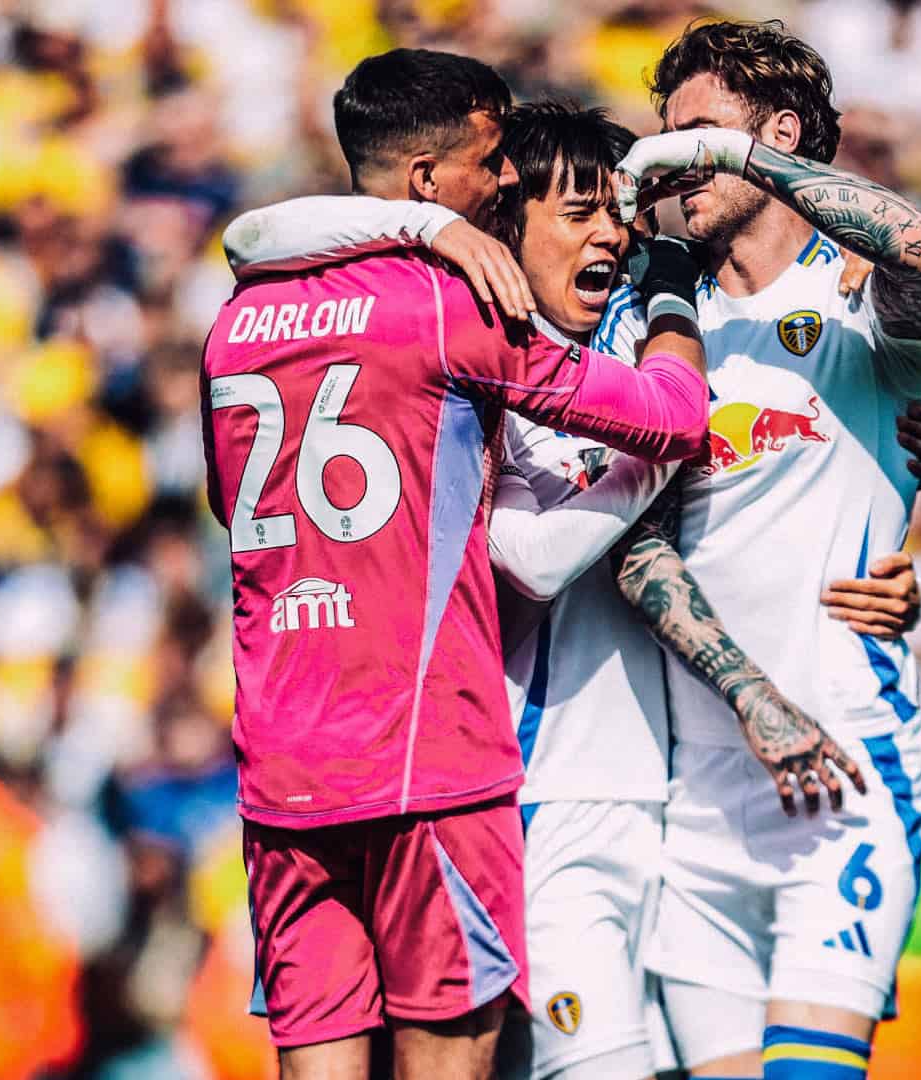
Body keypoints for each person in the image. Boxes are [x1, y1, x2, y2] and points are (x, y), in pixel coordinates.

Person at [225, 101, 921, 1080]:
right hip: (538, 793)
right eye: (579, 213)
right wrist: (667, 439)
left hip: (666, 801)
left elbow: (766, 478)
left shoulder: (634, 349)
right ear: (499, 230)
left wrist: (881, 480)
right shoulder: (474, 367)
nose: (611, 233)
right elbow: (529, 560)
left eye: (618, 212)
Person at [202, 50, 715, 1080]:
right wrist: (670, 294)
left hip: (282, 767)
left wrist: (421, 226)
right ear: (428, 178)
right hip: (427, 758)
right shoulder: (450, 304)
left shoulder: (234, 323)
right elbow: (673, 416)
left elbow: (228, 500)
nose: (507, 181)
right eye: (492, 162)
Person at [606, 19, 921, 1079]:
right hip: (696, 801)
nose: (674, 156)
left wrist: (731, 158)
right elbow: (635, 545)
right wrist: (747, 698)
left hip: (845, 773)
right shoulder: (655, 317)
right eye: (666, 133)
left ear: (775, 135)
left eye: (698, 132)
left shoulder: (855, 293)